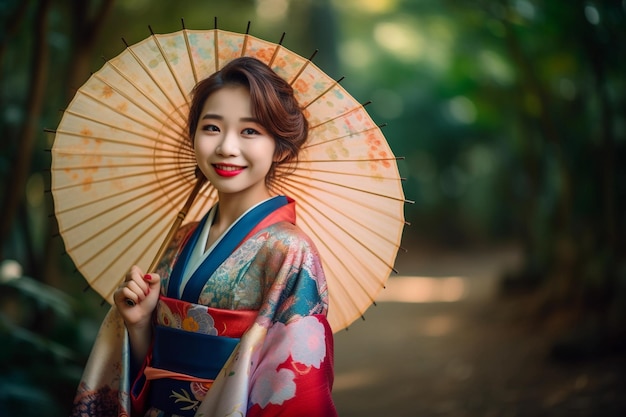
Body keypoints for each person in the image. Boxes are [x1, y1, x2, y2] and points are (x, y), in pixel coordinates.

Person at [71, 56, 337, 417]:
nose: (226, 147)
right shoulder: (181, 238)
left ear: (281, 147)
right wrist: (139, 326)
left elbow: (295, 385)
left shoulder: (289, 249)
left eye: (250, 131)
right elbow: (154, 361)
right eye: (212, 128)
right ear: (193, 135)